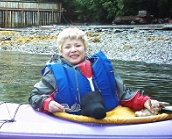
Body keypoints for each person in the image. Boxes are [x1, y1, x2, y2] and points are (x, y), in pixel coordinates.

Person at [29, 27, 164, 119]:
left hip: (107, 116)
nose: (73, 50)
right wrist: (47, 103)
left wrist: (145, 102)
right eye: (68, 47)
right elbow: (34, 96)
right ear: (61, 51)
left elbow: (124, 94)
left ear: (85, 48)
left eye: (78, 45)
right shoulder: (54, 74)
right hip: (72, 120)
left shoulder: (102, 68)